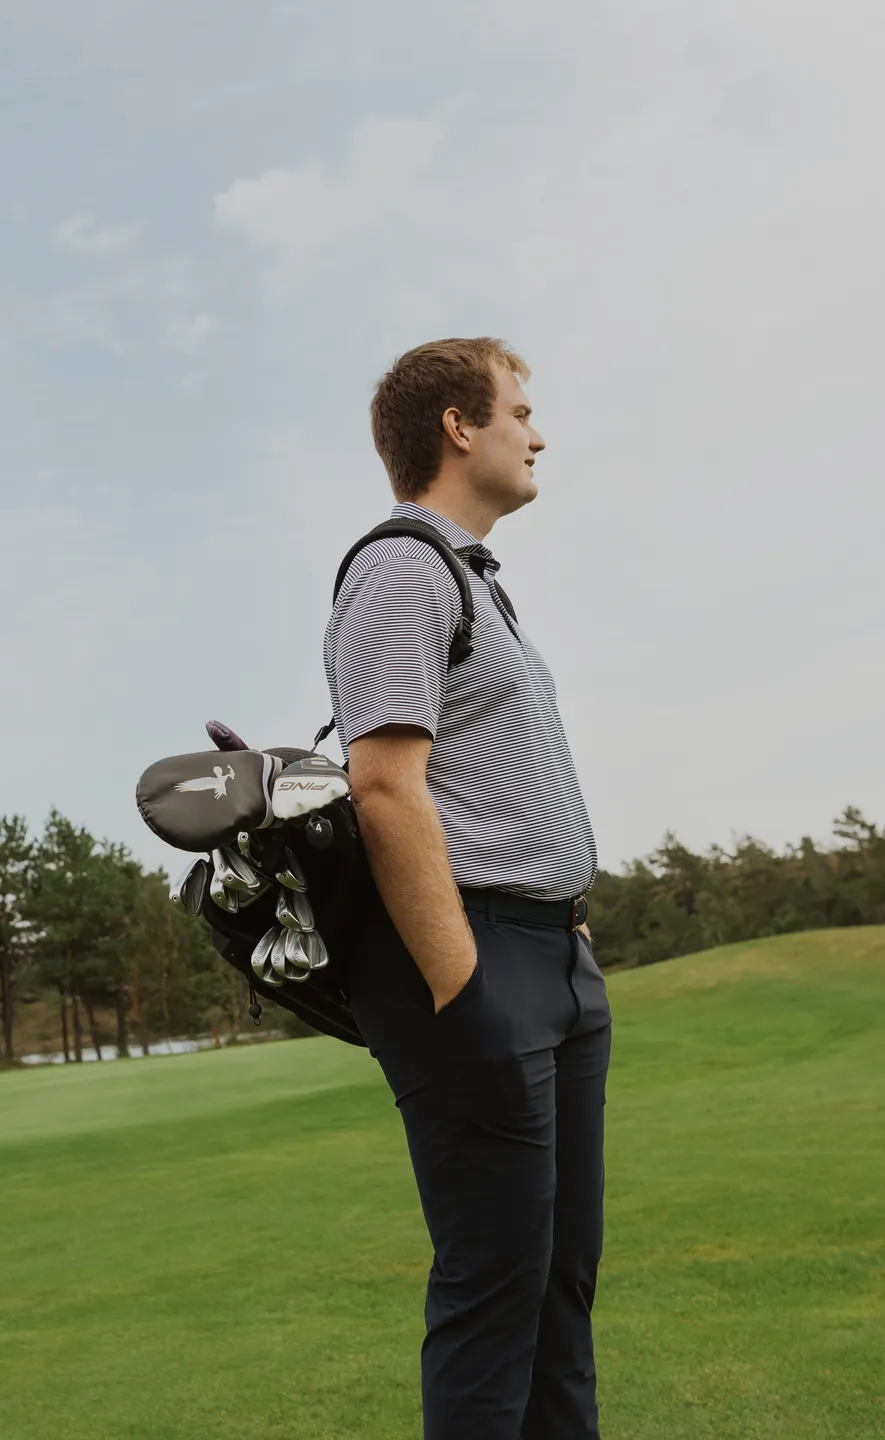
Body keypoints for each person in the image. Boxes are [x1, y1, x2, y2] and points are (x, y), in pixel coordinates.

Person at [325, 337, 610, 1439]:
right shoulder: (403, 567)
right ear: (458, 425)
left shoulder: (475, 582)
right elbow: (384, 788)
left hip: (552, 958)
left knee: (556, 1295)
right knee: (496, 1299)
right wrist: (464, 986)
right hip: (475, 959)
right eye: (519, 411)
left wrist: (568, 941)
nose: (537, 434)